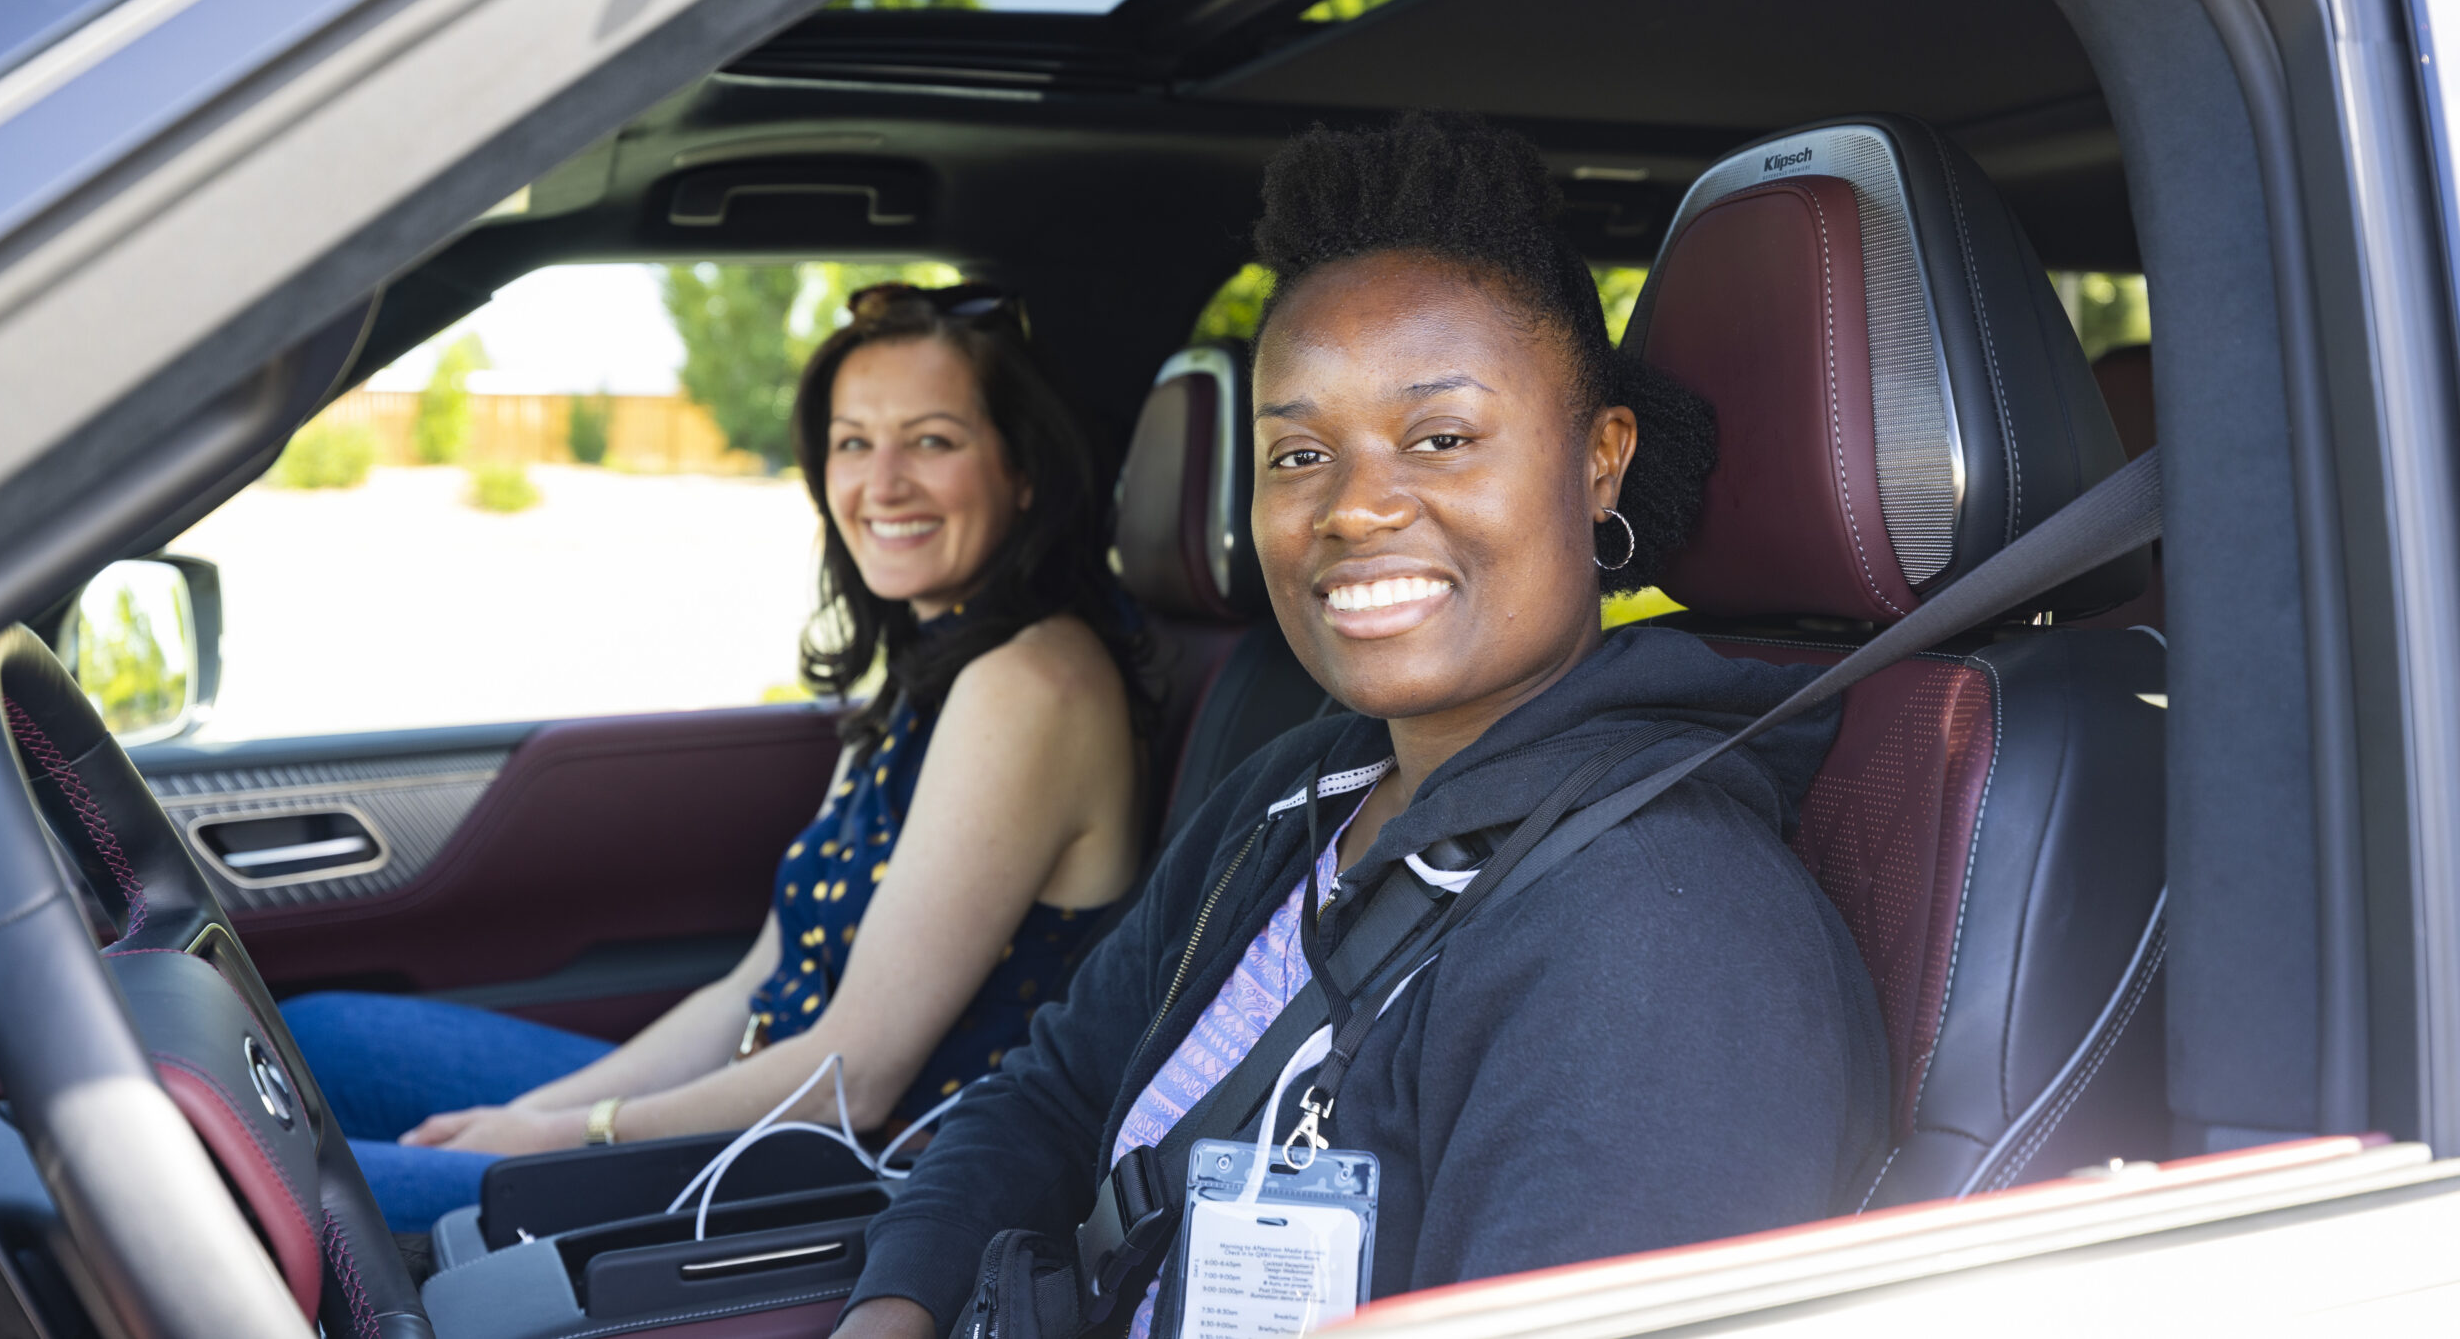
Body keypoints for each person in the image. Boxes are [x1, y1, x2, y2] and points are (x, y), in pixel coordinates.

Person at [836, 114, 1888, 1339]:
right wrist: (893, 1311)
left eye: (1440, 438)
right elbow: (1052, 1098)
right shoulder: (1298, 791)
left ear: (1599, 461)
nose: (1353, 506)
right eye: (1297, 454)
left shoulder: (1660, 935)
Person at [282, 282, 1151, 1233]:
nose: (882, 481)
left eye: (932, 440)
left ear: (1023, 470)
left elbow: (849, 1084)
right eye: (854, 441)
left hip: (838, 1182)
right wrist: (536, 1122)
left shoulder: (1032, 685)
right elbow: (752, 987)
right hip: (760, 1109)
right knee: (312, 1041)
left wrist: (570, 1139)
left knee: (265, 1184)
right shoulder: (935, 667)